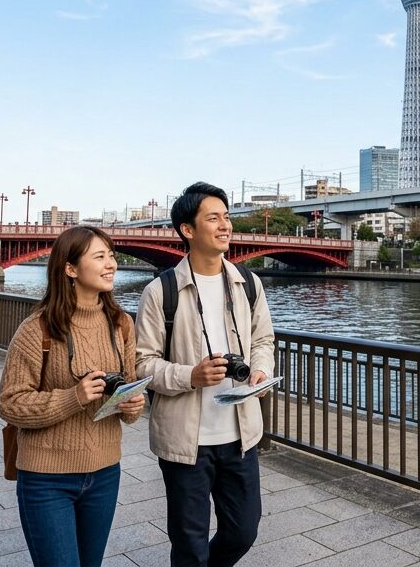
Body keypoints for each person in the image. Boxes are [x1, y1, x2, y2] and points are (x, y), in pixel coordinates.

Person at [136, 183, 275, 567]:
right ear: (188, 230)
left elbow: (263, 339)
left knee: (243, 531)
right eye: (213, 218)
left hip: (240, 436)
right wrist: (190, 376)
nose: (224, 225)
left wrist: (261, 370)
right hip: (185, 442)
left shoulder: (248, 284)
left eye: (226, 217)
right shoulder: (160, 291)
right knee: (189, 543)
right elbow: (141, 365)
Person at [0, 226, 145, 567]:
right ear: (70, 269)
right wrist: (73, 396)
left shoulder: (121, 323)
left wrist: (132, 405)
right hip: (46, 479)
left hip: (105, 473)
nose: (111, 264)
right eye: (100, 257)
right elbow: (9, 403)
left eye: (111, 256)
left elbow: (129, 399)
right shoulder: (38, 329)